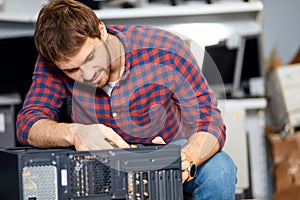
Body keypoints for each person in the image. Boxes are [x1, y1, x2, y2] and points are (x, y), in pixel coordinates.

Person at [16, 0, 237, 199]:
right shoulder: (52, 63)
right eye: (73, 70)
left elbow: (209, 120)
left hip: (166, 155)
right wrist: (74, 132)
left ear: (101, 31)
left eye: (91, 58)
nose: (87, 73)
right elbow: (28, 124)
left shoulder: (165, 49)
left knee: (220, 171)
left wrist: (187, 158)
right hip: (98, 168)